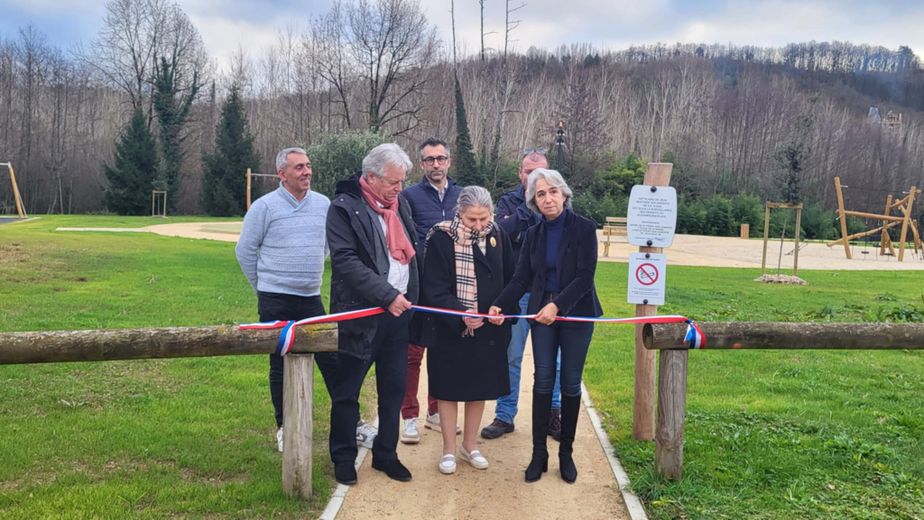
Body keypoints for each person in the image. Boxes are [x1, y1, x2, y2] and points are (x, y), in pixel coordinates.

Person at [235, 147, 377, 453]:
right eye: (299, 167)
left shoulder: (324, 205)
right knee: (280, 366)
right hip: (275, 300)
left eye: (309, 166)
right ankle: (285, 426)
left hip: (310, 299)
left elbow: (328, 246)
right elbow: (245, 251)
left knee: (332, 362)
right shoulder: (265, 207)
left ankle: (351, 424)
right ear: (282, 174)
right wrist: (263, 287)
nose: (307, 172)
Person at [488, 168, 603, 484]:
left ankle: (566, 453)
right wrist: (500, 302)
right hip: (542, 315)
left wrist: (557, 305)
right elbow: (522, 278)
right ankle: (539, 454)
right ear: (534, 202)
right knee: (542, 381)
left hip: (576, 313)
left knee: (569, 382)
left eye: (553, 191)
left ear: (564, 194)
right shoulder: (534, 235)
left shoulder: (583, 228)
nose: (548, 198)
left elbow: (584, 276)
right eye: (541, 194)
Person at [326, 143, 419, 485]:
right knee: (346, 390)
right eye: (394, 182)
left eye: (402, 181)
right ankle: (343, 457)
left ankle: (386, 454)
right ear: (370, 177)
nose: (399, 188)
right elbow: (346, 262)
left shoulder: (400, 204)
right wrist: (387, 295)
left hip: (399, 315)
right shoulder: (343, 208)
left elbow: (412, 252)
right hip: (359, 315)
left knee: (393, 389)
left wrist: (406, 297)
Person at [419, 186, 516, 475]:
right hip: (451, 329)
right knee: (448, 389)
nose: (478, 225)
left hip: (489, 331)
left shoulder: (498, 234)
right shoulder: (441, 237)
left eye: (483, 219)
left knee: (479, 388)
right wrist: (461, 314)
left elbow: (511, 278)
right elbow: (433, 287)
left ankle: (470, 445)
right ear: (459, 212)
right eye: (472, 219)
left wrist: (502, 309)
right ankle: (449, 448)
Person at [481, 149, 564, 441]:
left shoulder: (556, 201)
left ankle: (554, 414)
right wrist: (526, 210)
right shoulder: (508, 202)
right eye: (529, 172)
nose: (534, 178)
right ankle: (505, 415)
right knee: (511, 357)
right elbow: (499, 234)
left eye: (540, 172)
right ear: (521, 173)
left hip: (550, 297)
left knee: (552, 359)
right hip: (519, 294)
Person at [400, 137, 463, 444]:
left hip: (453, 288)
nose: (436, 164)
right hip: (420, 287)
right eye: (430, 160)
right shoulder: (408, 196)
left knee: (445, 351)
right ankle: (409, 416)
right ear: (422, 163)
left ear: (449, 161)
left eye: (441, 158)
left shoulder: (462, 195)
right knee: (413, 354)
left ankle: (436, 412)